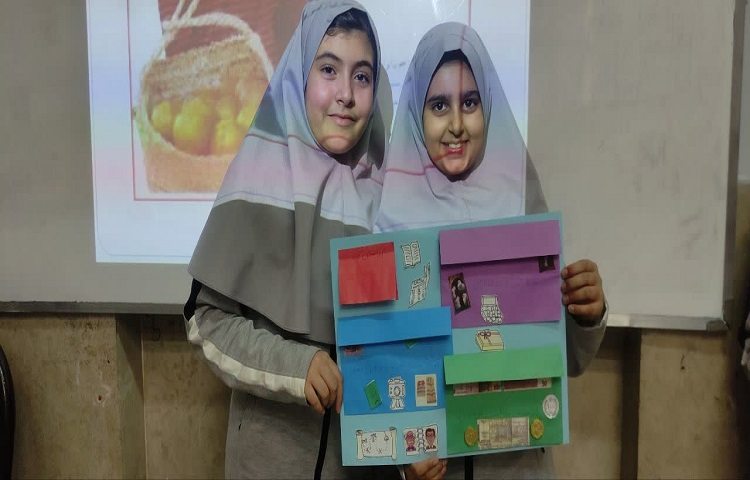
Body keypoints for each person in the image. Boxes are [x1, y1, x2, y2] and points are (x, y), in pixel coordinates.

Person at [375, 23, 607, 480]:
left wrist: (587, 315)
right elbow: (380, 370)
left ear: (489, 107)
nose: (456, 125)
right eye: (438, 105)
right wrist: (402, 461)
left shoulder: (520, 197)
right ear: (416, 112)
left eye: (470, 103)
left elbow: (566, 359)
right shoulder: (385, 216)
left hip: (517, 465)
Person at [183, 1, 395, 478]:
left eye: (362, 76)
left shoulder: (392, 197)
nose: (345, 94)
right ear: (300, 76)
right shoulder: (257, 179)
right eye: (328, 70)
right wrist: (297, 366)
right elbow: (207, 323)